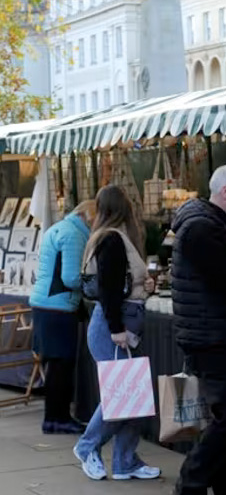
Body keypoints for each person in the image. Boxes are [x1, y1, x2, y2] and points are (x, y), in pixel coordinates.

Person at [171, 163, 226, 495]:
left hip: (222, 336)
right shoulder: (200, 228)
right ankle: (190, 483)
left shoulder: (211, 223)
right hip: (213, 339)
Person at [73, 185, 160, 481]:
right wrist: (116, 329)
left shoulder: (108, 237)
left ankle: (125, 461)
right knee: (125, 392)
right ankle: (88, 446)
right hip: (115, 325)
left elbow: (116, 285)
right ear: (125, 207)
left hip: (116, 323)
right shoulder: (113, 239)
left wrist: (143, 286)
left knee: (132, 390)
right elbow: (109, 289)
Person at [30, 200, 96, 435]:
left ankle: (54, 418)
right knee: (62, 365)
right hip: (59, 307)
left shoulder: (58, 229)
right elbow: (70, 278)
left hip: (45, 305)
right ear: (89, 217)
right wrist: (94, 282)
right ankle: (58, 419)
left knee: (55, 365)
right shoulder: (74, 235)